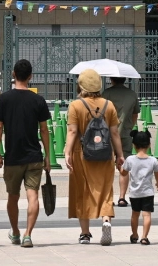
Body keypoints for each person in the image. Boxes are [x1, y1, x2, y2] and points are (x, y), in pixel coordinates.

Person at [0, 59, 52, 248]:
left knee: (13, 196)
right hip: (34, 156)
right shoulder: (38, 100)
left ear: (13, 74)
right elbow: (44, 130)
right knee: (32, 195)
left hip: (13, 156)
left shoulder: (4, 99)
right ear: (30, 77)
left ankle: (16, 232)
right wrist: (48, 156)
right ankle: (28, 234)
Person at [64, 69, 125, 246]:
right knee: (105, 189)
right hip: (105, 153)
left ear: (81, 85)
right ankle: (106, 220)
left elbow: (72, 131)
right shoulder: (109, 105)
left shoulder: (76, 105)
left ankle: (85, 233)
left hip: (81, 153)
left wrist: (67, 153)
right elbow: (114, 132)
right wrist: (120, 155)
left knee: (82, 190)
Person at [103, 76, 140, 206]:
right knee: (124, 167)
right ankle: (122, 197)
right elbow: (135, 114)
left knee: (107, 167)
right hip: (125, 133)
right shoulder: (132, 94)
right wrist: (128, 126)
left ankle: (108, 198)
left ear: (111, 79)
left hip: (107, 134)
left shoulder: (106, 94)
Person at [121, 129, 158, 245]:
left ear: (134, 145)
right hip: (148, 192)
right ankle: (144, 237)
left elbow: (123, 173)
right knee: (147, 215)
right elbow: (157, 174)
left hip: (134, 193)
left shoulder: (130, 159)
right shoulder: (153, 160)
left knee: (135, 214)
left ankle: (134, 235)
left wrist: (120, 167)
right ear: (149, 145)